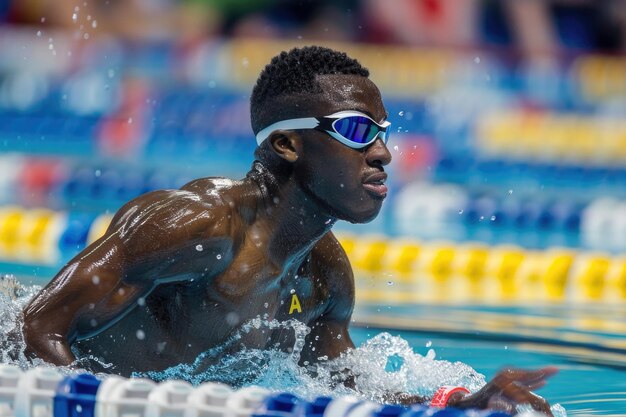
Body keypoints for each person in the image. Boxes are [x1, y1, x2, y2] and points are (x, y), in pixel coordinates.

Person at [20, 46, 556, 414]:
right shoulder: (199, 227)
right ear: (287, 144)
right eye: (356, 131)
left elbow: (352, 392)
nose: (383, 154)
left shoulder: (323, 277)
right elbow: (40, 327)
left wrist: (460, 403)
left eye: (383, 133)